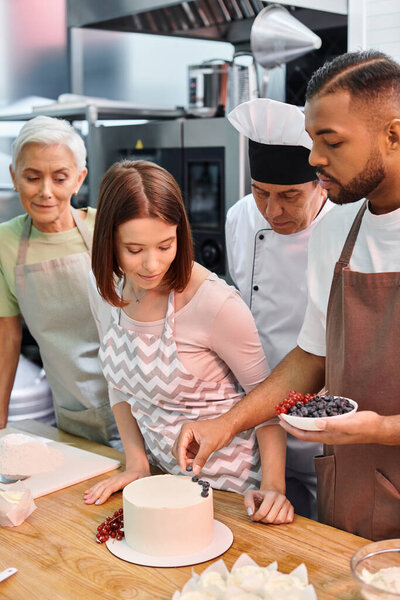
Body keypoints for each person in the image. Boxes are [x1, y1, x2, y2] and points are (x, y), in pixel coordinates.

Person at [173, 49, 400, 541]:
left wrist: (378, 428)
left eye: (330, 141)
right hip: (354, 490)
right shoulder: (336, 229)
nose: (315, 158)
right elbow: (308, 359)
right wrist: (227, 424)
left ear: (394, 134)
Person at [84, 159, 294, 526]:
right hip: (164, 488)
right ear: (109, 244)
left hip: (233, 497)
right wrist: (137, 464)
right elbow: (119, 387)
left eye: (166, 245)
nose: (152, 264)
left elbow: (267, 398)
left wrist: (274, 487)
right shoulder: (108, 289)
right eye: (134, 250)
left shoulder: (214, 304)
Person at [225, 98, 332, 519]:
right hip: (254, 416)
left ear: (322, 182)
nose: (273, 211)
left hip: (322, 424)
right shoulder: (240, 217)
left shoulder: (345, 225)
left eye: (289, 195)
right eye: (260, 193)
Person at [0, 116, 119, 447]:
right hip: (70, 410)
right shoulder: (5, 243)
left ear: (79, 178)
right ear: (14, 176)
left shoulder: (107, 228)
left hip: (138, 404)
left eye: (60, 177)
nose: (45, 192)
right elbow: (7, 336)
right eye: (32, 177)